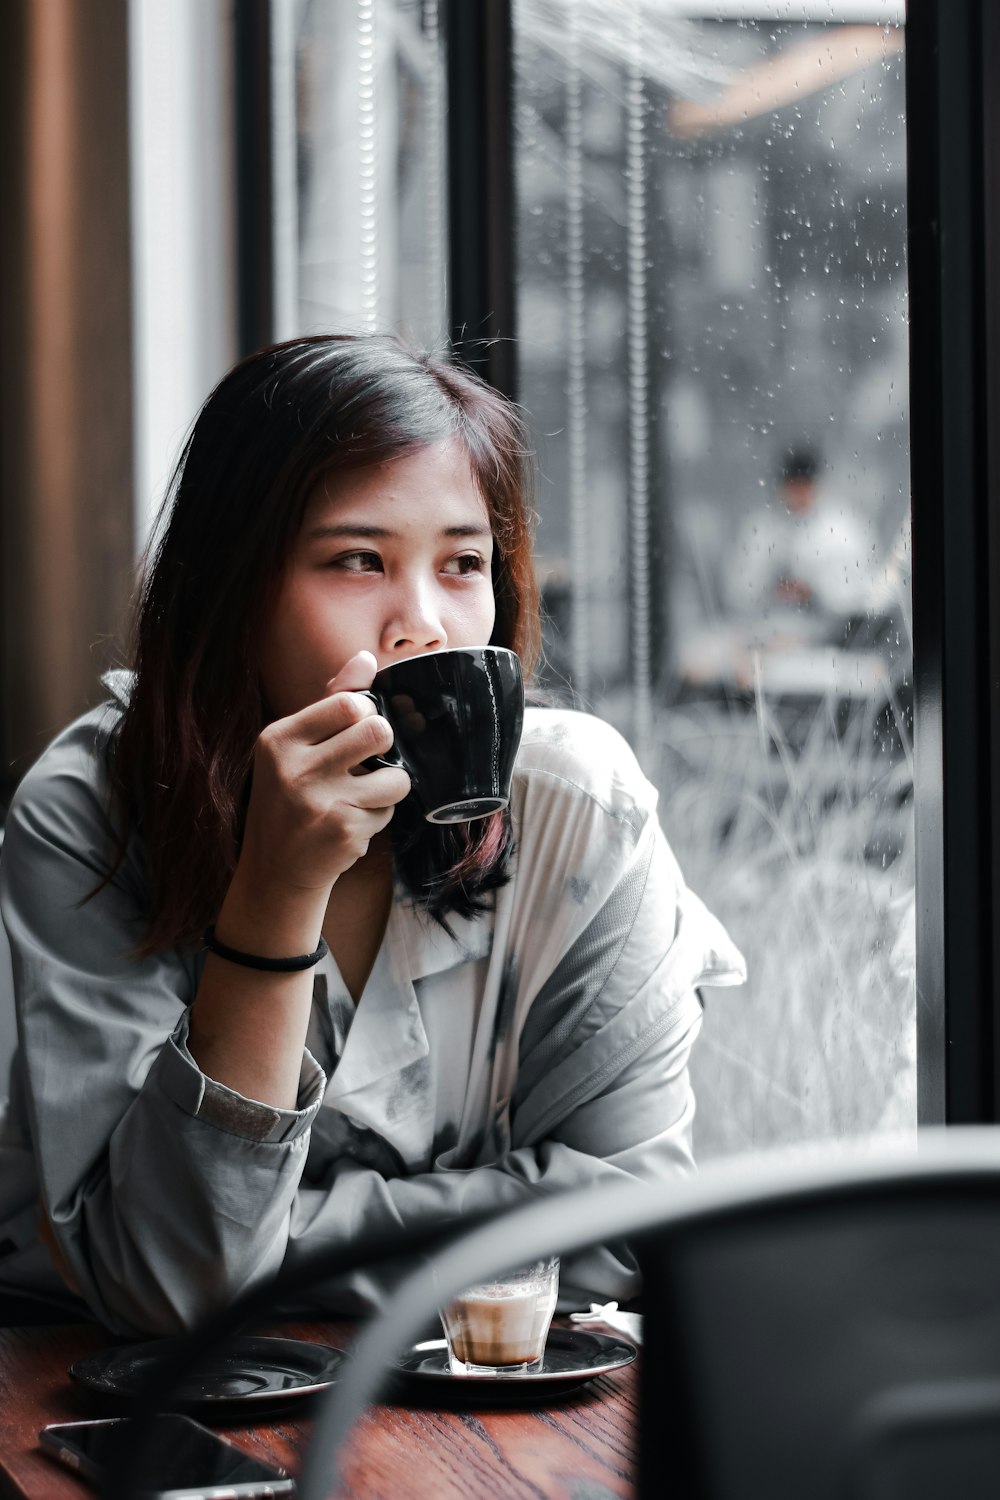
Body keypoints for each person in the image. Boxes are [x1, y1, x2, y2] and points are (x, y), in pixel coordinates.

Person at [0, 334, 745, 1336]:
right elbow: (175, 1290)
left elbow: (633, 1226)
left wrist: (270, 1242)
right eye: (357, 560)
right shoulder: (91, 810)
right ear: (233, 593)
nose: (423, 624)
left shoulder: (578, 805)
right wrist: (272, 895)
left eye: (463, 563)